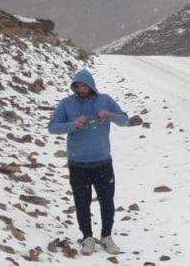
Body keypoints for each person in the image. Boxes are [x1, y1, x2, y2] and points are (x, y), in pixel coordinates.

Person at [48, 70, 130, 255]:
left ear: (91, 85)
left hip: (102, 162)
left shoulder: (105, 100)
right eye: (77, 86)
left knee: (107, 201)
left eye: (83, 86)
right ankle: (87, 238)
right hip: (78, 164)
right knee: (82, 203)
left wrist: (109, 115)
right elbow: (52, 127)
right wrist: (72, 124)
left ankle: (106, 236)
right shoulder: (67, 104)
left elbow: (125, 120)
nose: (80, 90)